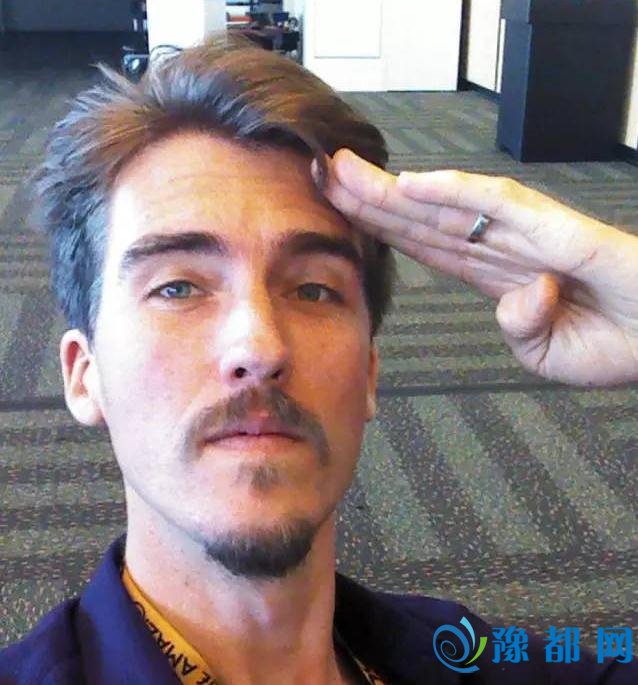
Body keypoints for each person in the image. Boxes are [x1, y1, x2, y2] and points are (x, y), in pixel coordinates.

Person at [1, 33, 637, 685]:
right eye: (178, 288)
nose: (259, 347)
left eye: (312, 289)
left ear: (369, 373)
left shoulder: (465, 654)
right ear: (84, 374)